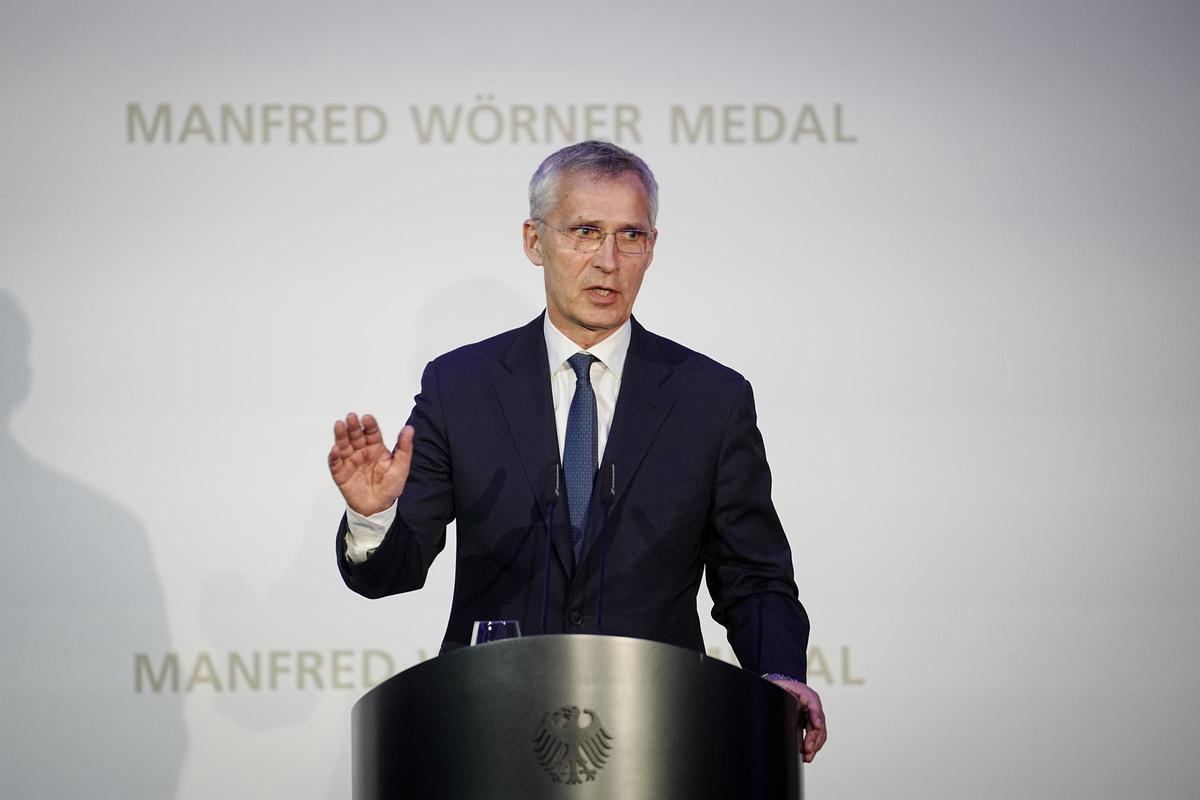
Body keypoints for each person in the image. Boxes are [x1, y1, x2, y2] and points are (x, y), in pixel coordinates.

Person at [327, 141, 827, 761]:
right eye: (586, 232)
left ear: (652, 246)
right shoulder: (461, 386)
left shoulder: (711, 399)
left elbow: (754, 577)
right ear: (535, 242)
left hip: (660, 732)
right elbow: (395, 572)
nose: (609, 262)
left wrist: (779, 672)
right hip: (491, 730)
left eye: (631, 236)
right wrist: (373, 518)